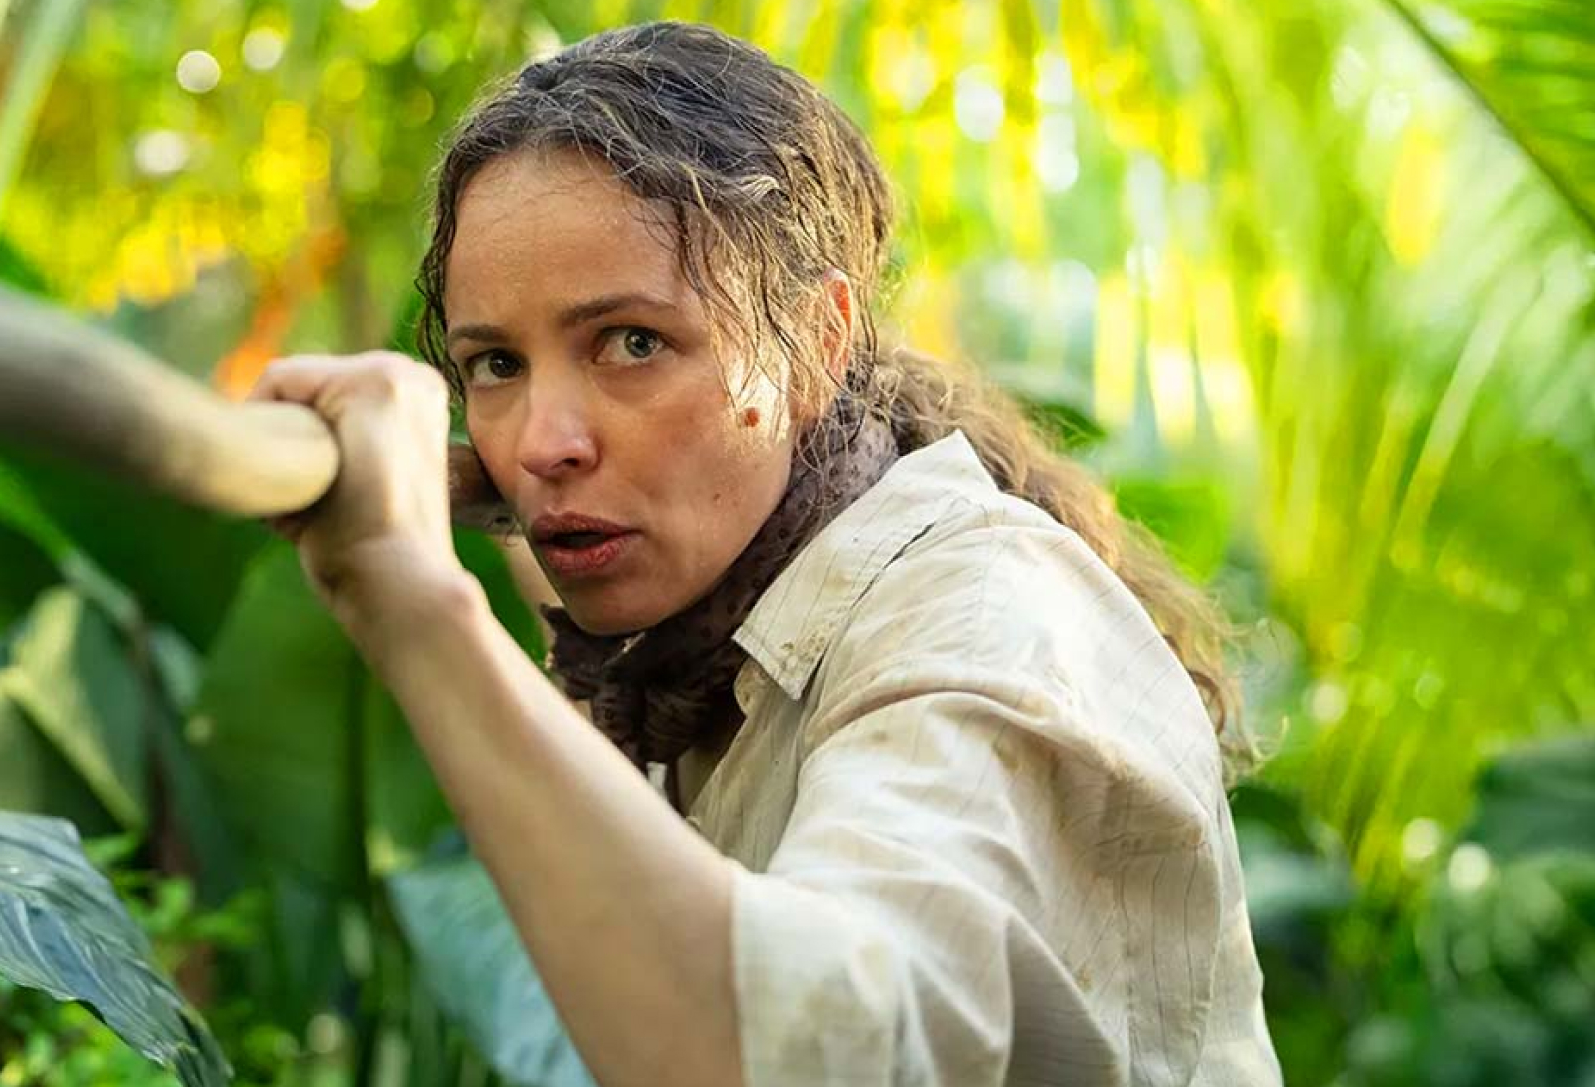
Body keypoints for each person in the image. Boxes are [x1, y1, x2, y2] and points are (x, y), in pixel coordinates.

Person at [246, 21, 1281, 1087]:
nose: (542, 441)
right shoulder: (702, 661)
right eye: (496, 363)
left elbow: (810, 1053)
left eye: (631, 342)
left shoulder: (991, 615)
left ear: (819, 341)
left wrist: (412, 599)